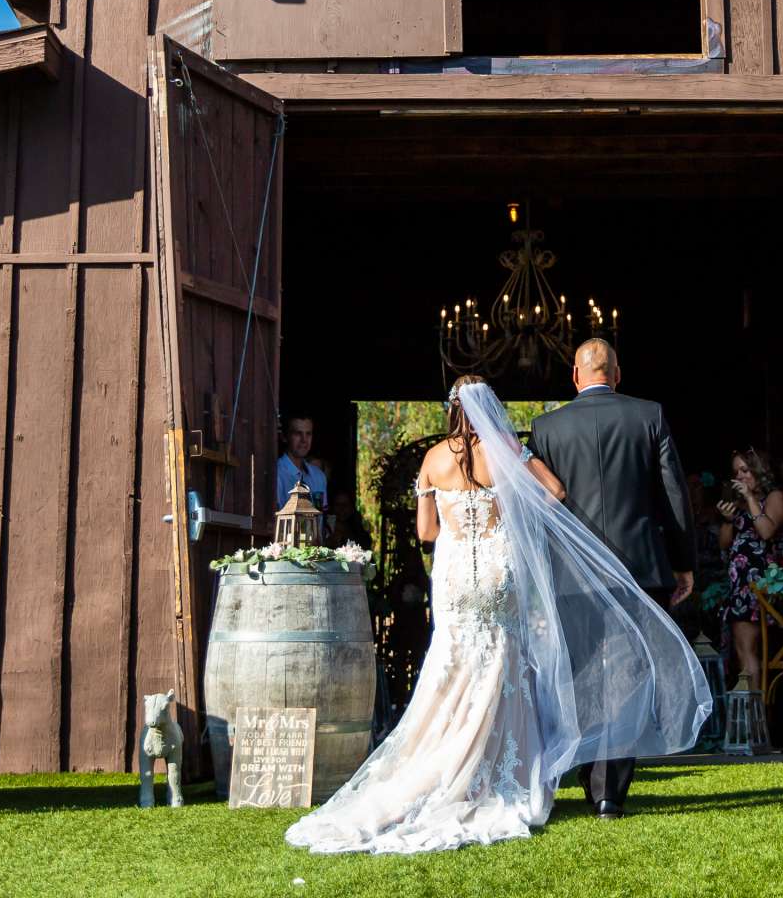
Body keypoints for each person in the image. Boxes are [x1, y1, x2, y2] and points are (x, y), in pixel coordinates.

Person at [285, 374, 709, 855]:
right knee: (500, 666)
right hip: (495, 569)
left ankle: (445, 762)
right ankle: (496, 770)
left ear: (451, 408)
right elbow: (554, 492)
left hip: (453, 579)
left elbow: (427, 533)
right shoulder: (504, 448)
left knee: (454, 667)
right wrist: (513, 515)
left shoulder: (432, 459)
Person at [527, 339, 697, 819]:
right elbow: (674, 495)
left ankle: (589, 773)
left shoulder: (547, 427)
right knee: (626, 675)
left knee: (580, 671)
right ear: (617, 374)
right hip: (638, 567)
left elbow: (537, 508)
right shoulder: (650, 416)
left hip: (571, 573)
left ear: (576, 377)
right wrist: (683, 562)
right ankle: (609, 791)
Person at [713, 448, 783, 690]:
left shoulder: (773, 497)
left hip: (762, 584)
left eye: (745, 470)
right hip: (740, 585)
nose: (740, 476)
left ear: (758, 469)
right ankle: (752, 714)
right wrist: (726, 520)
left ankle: (756, 719)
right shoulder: (739, 504)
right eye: (736, 472)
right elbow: (724, 544)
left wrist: (751, 500)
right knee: (741, 651)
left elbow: (766, 531)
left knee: (747, 651)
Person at [276, 416, 330, 510]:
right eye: (298, 433)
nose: (304, 440)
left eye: (308, 434)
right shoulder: (276, 474)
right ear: (284, 437)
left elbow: (323, 516)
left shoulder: (319, 476)